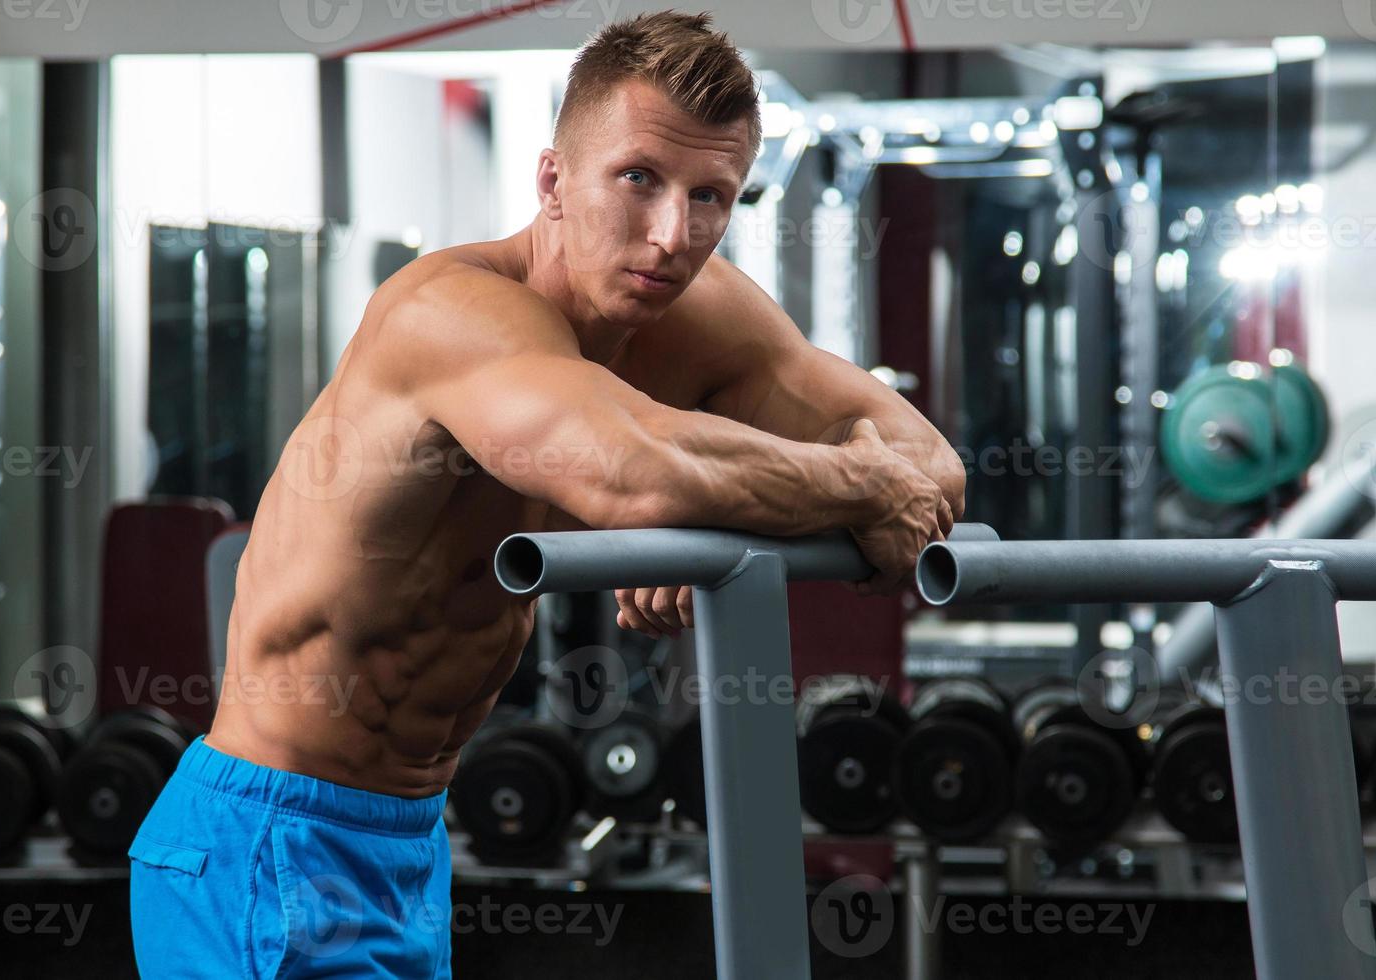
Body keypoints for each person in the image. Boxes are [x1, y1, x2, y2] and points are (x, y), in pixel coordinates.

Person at [129, 11, 965, 978]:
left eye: (711, 196)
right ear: (552, 180)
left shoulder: (697, 318)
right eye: (638, 178)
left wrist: (708, 520)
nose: (671, 234)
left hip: (410, 838)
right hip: (269, 836)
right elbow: (633, 471)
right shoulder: (451, 315)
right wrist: (826, 488)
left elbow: (928, 462)